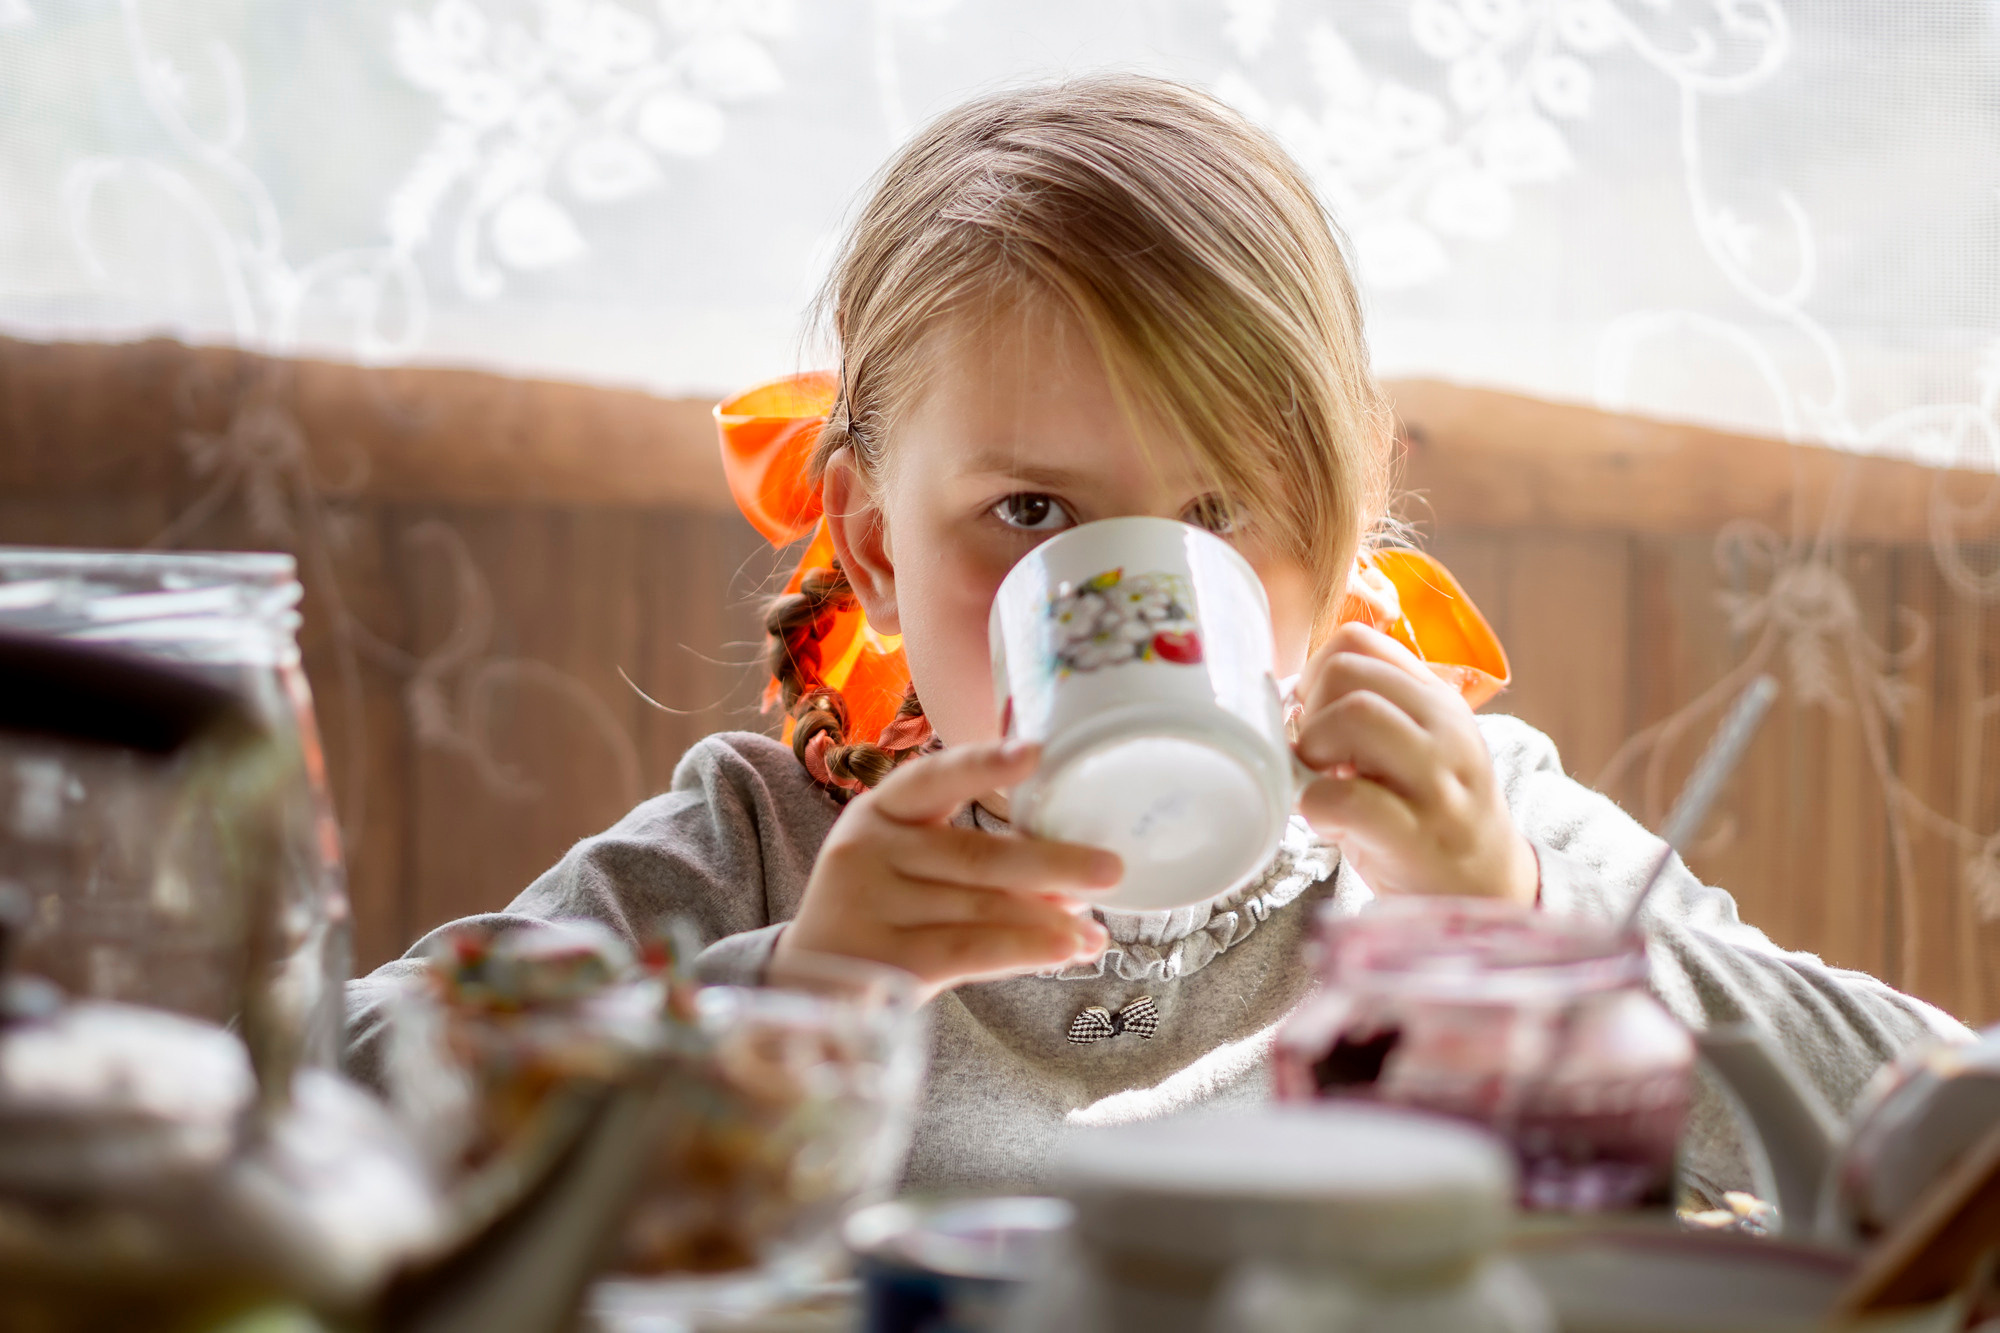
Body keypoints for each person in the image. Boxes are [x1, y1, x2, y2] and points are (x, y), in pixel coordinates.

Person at [346, 74, 1966, 1199]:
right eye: (1029, 512)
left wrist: (1524, 933)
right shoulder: (772, 853)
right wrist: (793, 993)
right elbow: (324, 1103)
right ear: (874, 543)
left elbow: (1934, 1127)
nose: (1124, 586)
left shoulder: (1466, 832)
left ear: (1341, 539)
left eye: (1218, 514)